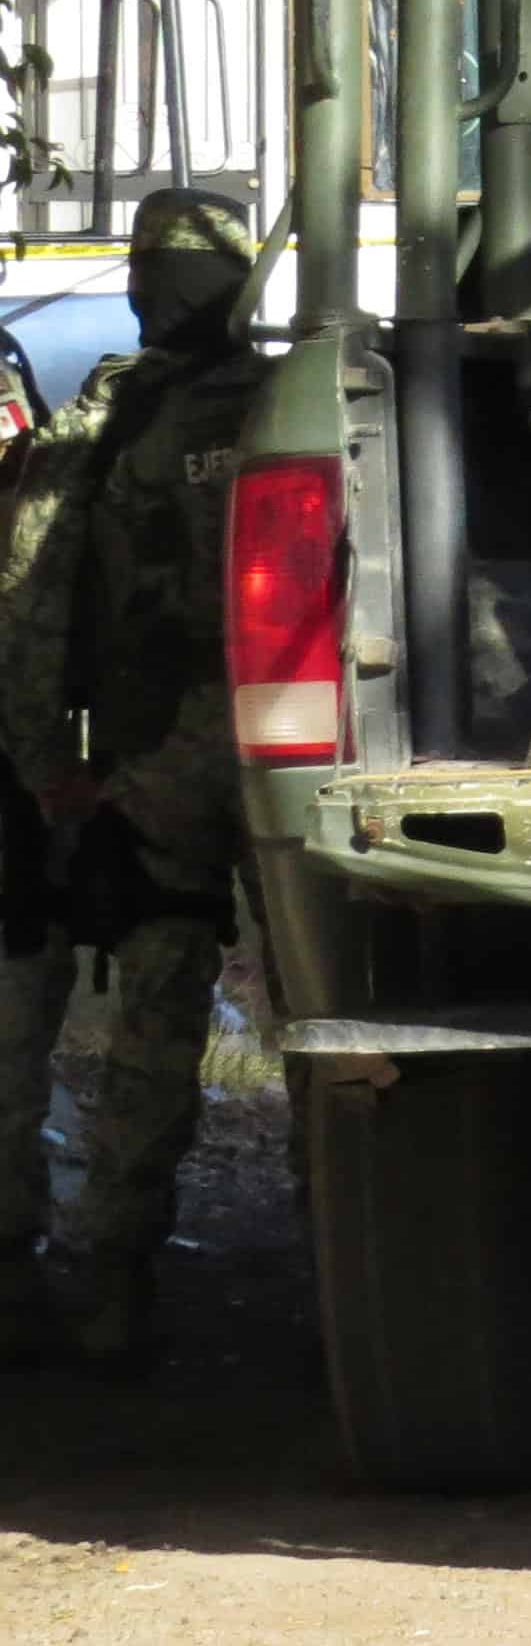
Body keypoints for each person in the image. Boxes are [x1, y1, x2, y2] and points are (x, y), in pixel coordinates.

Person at [0, 191, 268, 1370]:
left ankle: (95, 1274)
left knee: (118, 998)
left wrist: (46, 773)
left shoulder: (115, 418)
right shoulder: (297, 403)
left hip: (144, 761)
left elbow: (30, 604)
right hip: (283, 746)